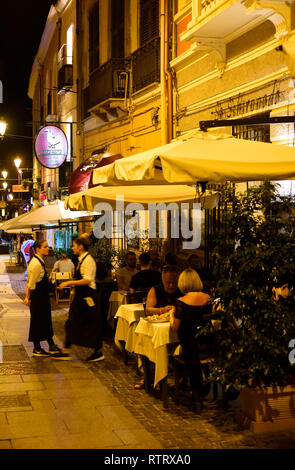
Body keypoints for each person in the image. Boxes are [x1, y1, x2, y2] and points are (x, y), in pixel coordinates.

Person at [170, 268, 212, 411]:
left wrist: (171, 316)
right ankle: (201, 384)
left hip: (190, 348)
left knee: (176, 352)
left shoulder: (181, 302)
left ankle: (192, 389)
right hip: (208, 345)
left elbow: (175, 327)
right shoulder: (208, 298)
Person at [58, 236, 104, 362]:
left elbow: (88, 280)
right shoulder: (81, 259)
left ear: (80, 247)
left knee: (89, 323)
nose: (72, 248)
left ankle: (98, 351)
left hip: (88, 296)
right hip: (82, 296)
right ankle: (66, 349)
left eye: (74, 245)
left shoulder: (88, 261)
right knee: (73, 322)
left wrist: (69, 283)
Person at [23, 240, 68, 359]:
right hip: (38, 297)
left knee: (44, 321)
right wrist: (28, 297)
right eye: (45, 247)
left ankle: (50, 345)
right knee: (38, 322)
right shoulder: (36, 264)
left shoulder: (40, 261)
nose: (48, 248)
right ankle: (37, 348)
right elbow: (30, 283)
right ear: (37, 249)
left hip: (42, 297)